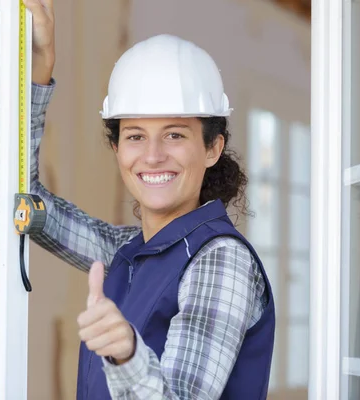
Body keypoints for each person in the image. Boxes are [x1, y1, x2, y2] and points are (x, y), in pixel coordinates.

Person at [22, 0, 275, 398]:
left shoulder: (220, 260)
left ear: (213, 148)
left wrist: (128, 355)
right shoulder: (127, 253)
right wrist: (40, 68)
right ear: (118, 149)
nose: (152, 155)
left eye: (175, 134)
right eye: (135, 135)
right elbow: (28, 203)